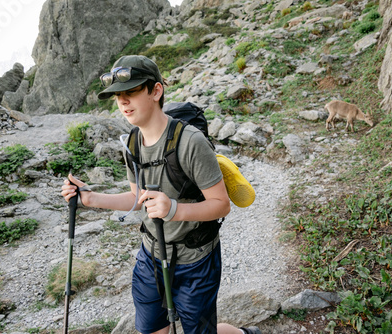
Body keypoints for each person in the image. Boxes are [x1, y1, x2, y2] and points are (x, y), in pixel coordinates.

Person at [61, 55, 261, 334]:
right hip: (151, 255)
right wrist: (90, 198)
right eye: (118, 96)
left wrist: (173, 210)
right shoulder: (131, 142)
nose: (122, 101)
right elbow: (136, 198)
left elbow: (221, 205)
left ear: (156, 91)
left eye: (131, 92)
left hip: (196, 262)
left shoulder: (191, 142)